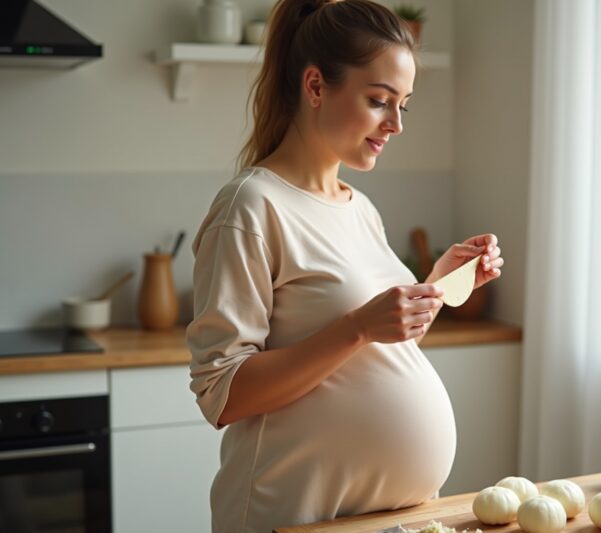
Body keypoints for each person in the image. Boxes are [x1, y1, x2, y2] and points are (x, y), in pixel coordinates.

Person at [185, 1, 504, 531]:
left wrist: (436, 285)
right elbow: (224, 394)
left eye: (404, 105)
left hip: (390, 517)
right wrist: (356, 328)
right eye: (379, 101)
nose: (396, 124)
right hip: (291, 515)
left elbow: (362, 360)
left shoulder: (358, 207)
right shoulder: (251, 206)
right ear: (315, 86)